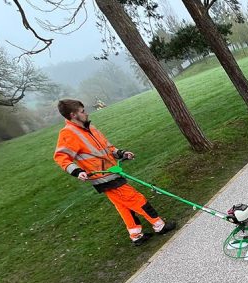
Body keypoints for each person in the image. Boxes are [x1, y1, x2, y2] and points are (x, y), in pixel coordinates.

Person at [53, 99, 176, 247]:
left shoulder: (90, 127)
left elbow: (107, 147)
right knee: (136, 199)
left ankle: (136, 235)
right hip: (103, 177)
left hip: (113, 172)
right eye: (82, 111)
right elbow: (61, 157)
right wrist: (77, 171)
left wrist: (122, 153)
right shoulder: (68, 133)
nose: (86, 113)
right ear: (73, 115)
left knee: (123, 205)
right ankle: (159, 226)